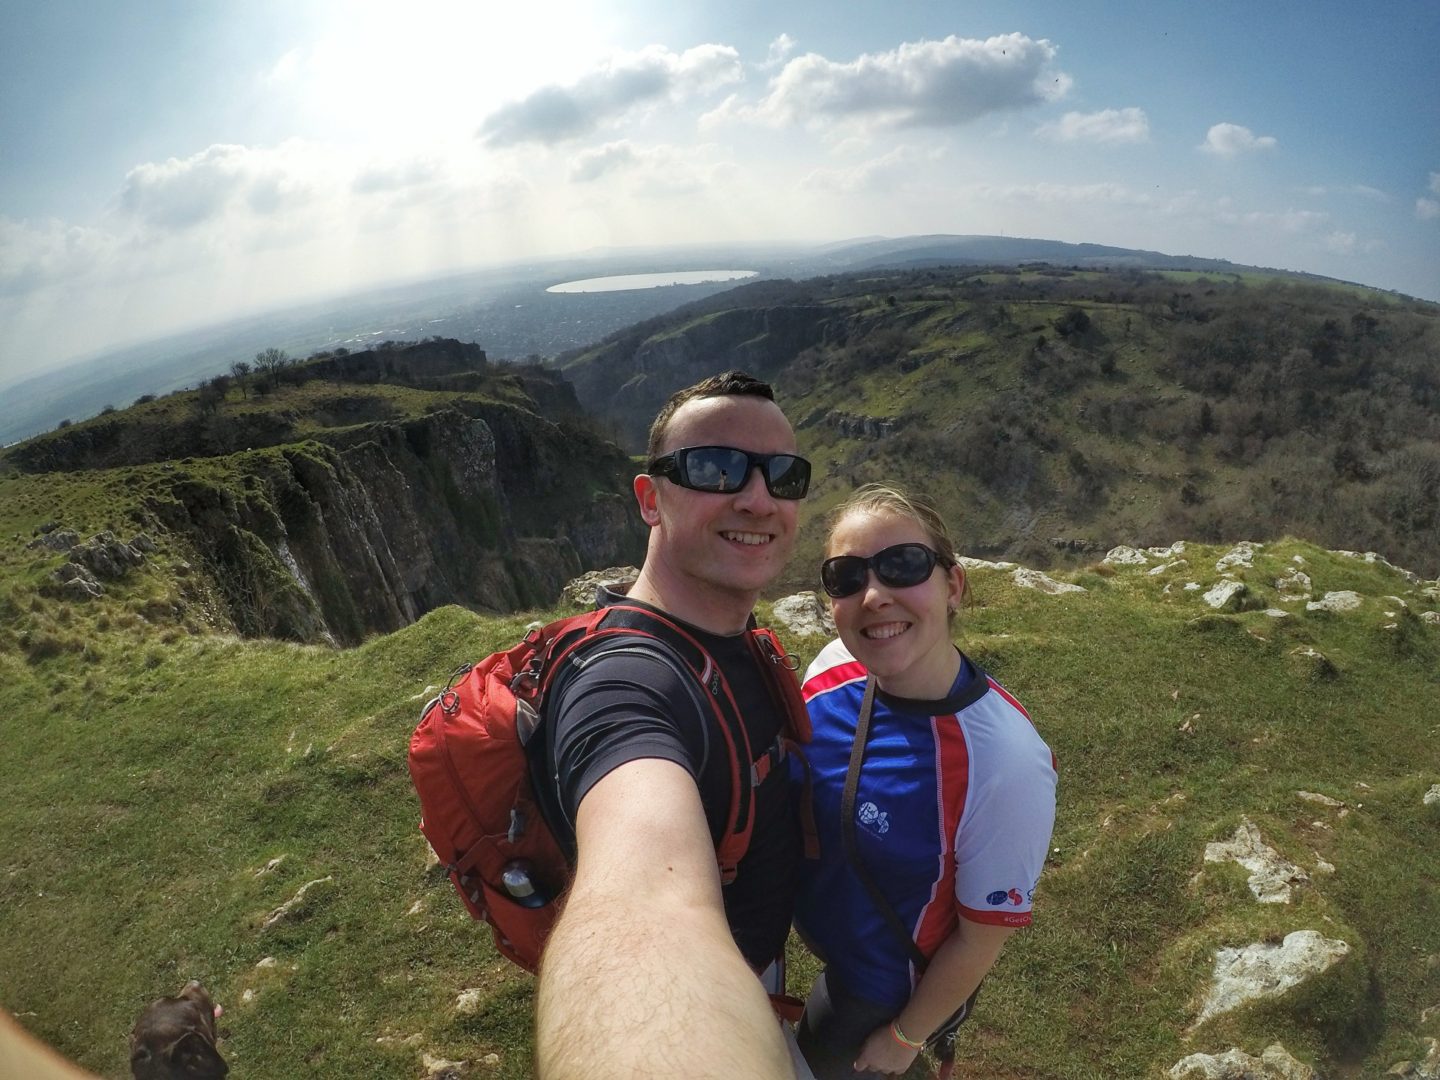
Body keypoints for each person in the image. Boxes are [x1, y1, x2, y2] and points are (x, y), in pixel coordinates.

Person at [533, 371, 811, 1079]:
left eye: (784, 475)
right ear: (649, 500)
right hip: (727, 998)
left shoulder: (723, 634)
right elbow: (642, 909)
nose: (757, 497)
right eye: (714, 468)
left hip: (756, 972)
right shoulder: (625, 685)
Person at [794, 484, 1058, 1079]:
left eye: (904, 566)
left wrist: (904, 1037)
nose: (875, 595)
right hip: (815, 944)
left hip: (881, 997)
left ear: (953, 585)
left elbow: (981, 938)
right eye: (846, 576)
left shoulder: (1005, 763)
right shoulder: (831, 671)